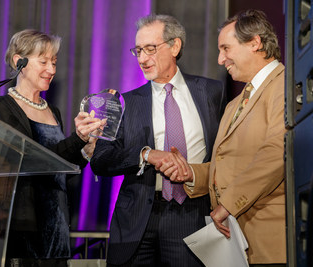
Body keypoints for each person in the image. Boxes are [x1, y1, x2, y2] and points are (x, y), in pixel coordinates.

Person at [90, 14, 227, 266]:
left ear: (175, 46)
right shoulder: (125, 102)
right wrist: (146, 155)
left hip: (192, 214)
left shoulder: (211, 92)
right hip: (137, 220)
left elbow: (226, 155)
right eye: (138, 50)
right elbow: (100, 160)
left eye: (150, 49)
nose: (142, 59)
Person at [157, 10, 287, 266]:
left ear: (255, 42)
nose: (220, 59)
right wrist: (191, 174)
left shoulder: (285, 85)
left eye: (226, 48)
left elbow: (276, 154)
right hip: (237, 245)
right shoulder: (234, 104)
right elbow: (228, 166)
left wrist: (227, 205)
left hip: (268, 243)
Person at [0, 29, 105, 265]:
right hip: (24, 229)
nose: (52, 70)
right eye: (43, 61)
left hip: (58, 225)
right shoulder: (2, 108)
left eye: (54, 62)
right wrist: (77, 139)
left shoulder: (53, 112)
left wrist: (86, 150)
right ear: (18, 61)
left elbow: (60, 169)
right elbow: (31, 161)